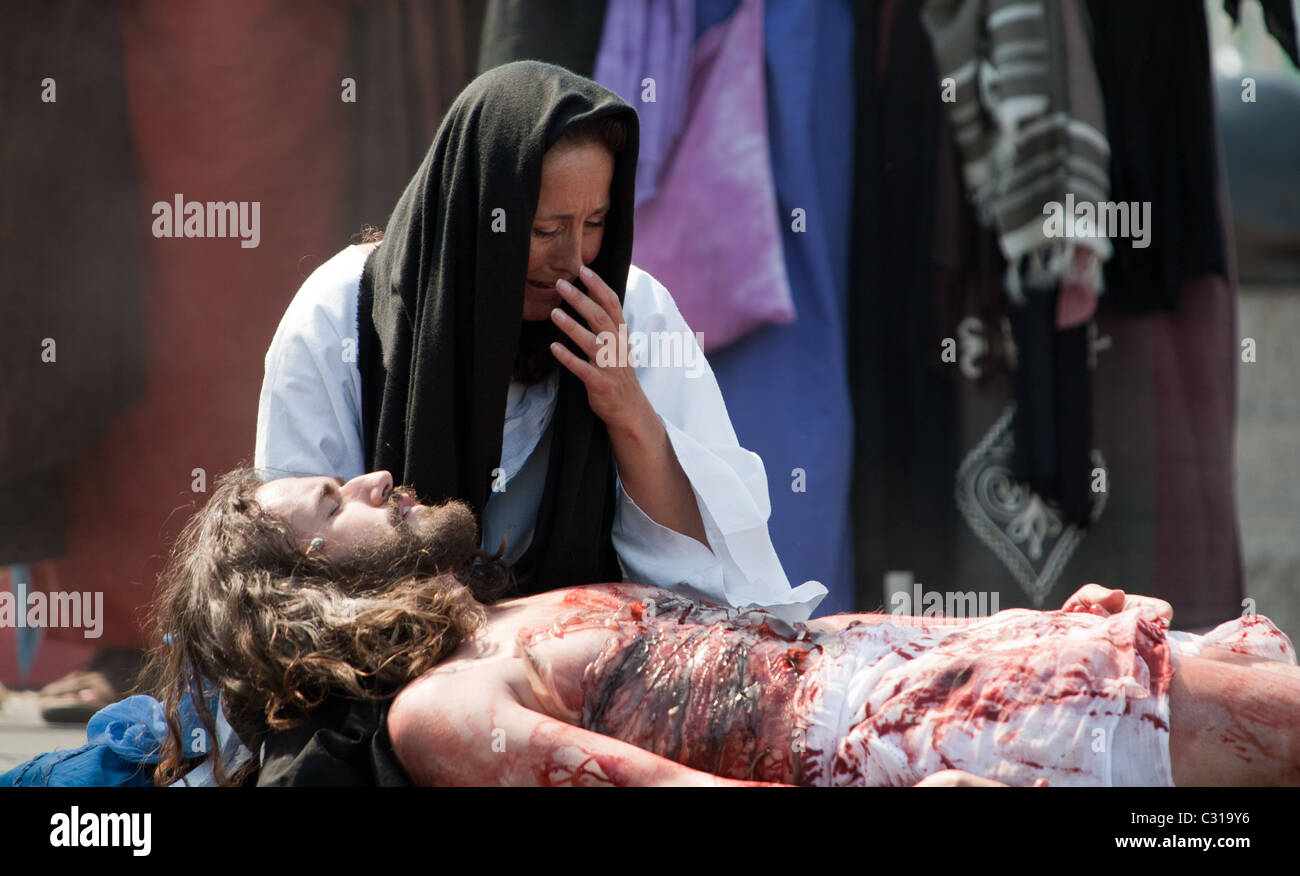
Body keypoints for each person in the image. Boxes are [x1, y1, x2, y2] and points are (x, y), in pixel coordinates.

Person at [250, 60, 823, 782]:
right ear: (476, 208)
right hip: (380, 688)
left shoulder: (630, 313)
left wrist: (628, 412)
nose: (571, 258)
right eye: (544, 227)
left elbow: (710, 583)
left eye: (595, 223)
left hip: (594, 679)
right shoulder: (341, 321)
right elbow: (292, 568)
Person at [147, 469, 1299, 787]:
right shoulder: (440, 705)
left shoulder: (499, 613)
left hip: (948, 670)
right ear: (306, 595)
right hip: (931, 737)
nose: (377, 476)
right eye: (335, 503)